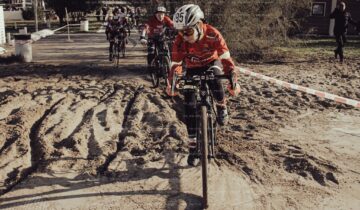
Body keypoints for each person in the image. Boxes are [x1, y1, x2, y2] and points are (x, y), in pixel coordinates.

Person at [166, 4, 240, 166]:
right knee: (189, 102)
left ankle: (221, 105)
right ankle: (193, 145)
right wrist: (172, 81)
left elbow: (226, 58)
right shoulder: (180, 40)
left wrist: (233, 78)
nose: (184, 36)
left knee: (214, 78)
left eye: (188, 32)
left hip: (211, 63)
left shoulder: (213, 34)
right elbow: (176, 64)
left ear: (199, 25)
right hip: (192, 68)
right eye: (181, 32)